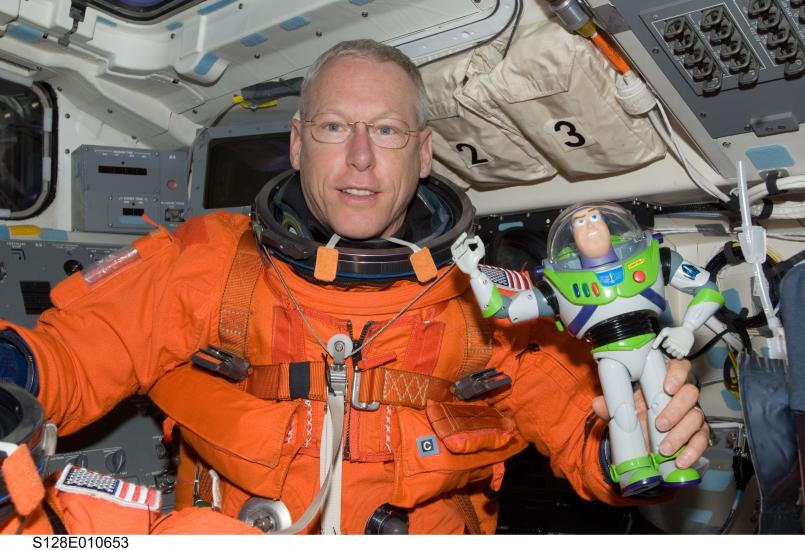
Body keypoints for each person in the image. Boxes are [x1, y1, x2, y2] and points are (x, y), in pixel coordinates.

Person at [0, 39, 708, 534]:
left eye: (388, 131)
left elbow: (580, 428)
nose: (361, 158)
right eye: (337, 127)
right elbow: (73, 355)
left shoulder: (488, 300)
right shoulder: (210, 261)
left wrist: (636, 441)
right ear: (300, 143)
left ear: (424, 153)